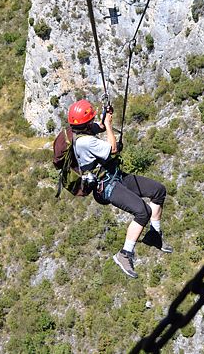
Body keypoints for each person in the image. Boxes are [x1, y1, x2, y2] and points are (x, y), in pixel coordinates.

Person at [67, 99, 172, 278]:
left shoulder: (79, 132)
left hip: (115, 176)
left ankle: (154, 234)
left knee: (158, 190)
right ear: (86, 122)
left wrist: (105, 119)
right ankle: (125, 254)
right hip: (106, 186)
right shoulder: (85, 142)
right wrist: (108, 125)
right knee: (143, 212)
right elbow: (113, 148)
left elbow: (97, 127)